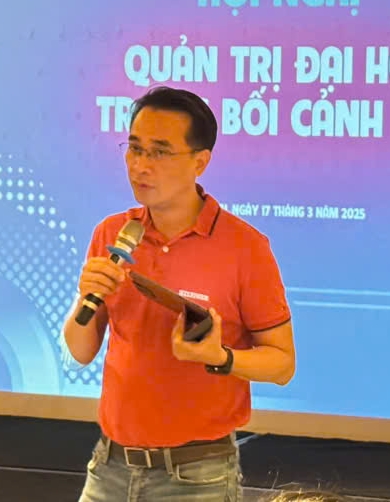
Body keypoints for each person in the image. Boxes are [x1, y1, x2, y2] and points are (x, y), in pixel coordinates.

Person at [63, 86, 296, 502]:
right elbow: (80, 351)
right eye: (135, 148)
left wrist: (220, 357)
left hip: (196, 477)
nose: (141, 165)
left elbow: (282, 364)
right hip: (109, 468)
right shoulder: (113, 233)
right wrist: (86, 297)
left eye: (159, 152)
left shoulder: (245, 247)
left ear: (200, 162)